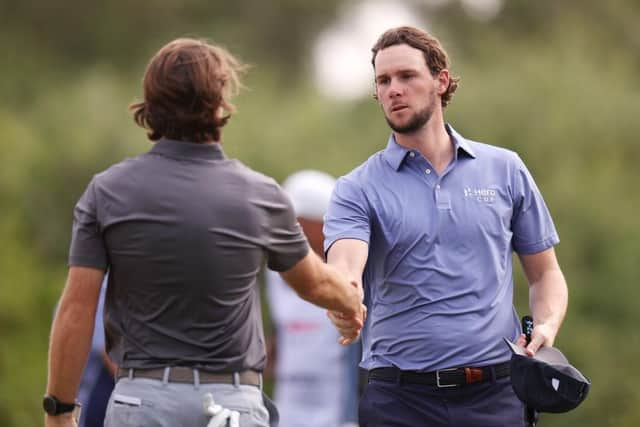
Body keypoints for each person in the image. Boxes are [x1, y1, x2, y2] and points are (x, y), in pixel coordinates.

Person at [44, 37, 364, 427]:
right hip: (233, 405)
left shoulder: (107, 192)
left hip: (142, 404)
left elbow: (77, 309)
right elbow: (315, 284)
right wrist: (350, 303)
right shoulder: (260, 195)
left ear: (150, 104)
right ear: (220, 104)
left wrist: (59, 411)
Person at [323, 26, 569, 427]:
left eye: (406, 76)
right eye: (383, 81)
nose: (393, 90)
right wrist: (343, 299)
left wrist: (546, 325)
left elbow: (546, 274)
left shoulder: (505, 169)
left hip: (498, 395)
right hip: (398, 401)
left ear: (440, 81)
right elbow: (345, 268)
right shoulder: (357, 187)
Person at [265, 170, 360, 427]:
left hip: (337, 405)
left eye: (296, 221)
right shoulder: (277, 271)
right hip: (289, 401)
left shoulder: (353, 273)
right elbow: (284, 327)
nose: (289, 229)